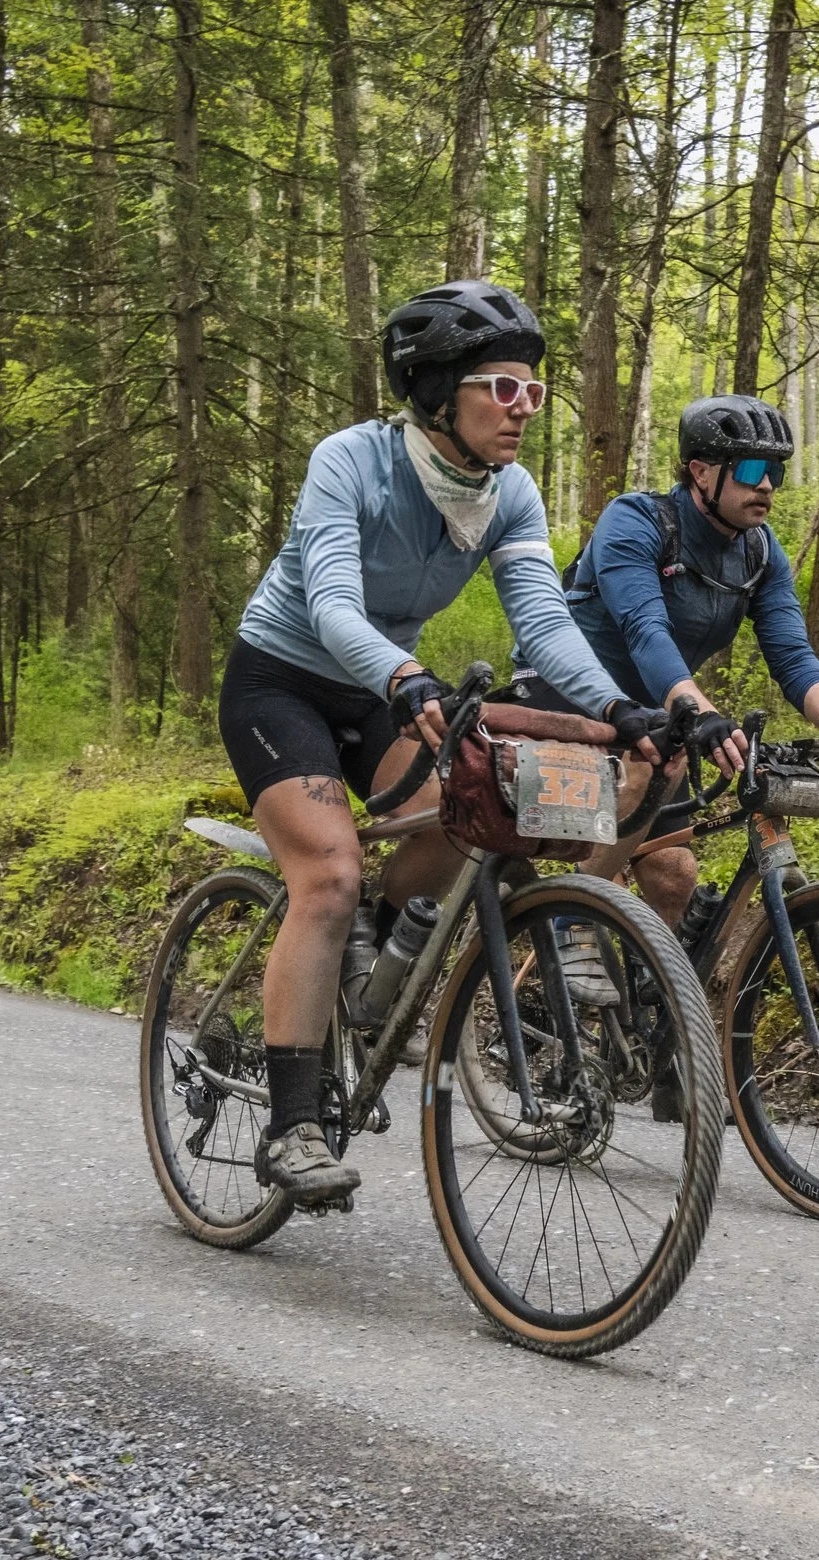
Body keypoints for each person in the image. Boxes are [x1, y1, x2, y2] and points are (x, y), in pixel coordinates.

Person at [219, 280, 664, 1207]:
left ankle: (370, 963)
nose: (523, 412)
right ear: (435, 391)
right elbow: (332, 603)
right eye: (503, 390)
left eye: (533, 393)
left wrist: (626, 709)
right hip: (284, 679)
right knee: (332, 874)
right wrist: (403, 675)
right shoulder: (349, 460)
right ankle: (293, 1125)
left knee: (472, 818)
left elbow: (543, 627)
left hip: (388, 685)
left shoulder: (510, 493)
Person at [506, 393, 819, 932]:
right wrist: (702, 715)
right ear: (700, 472)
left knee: (673, 875)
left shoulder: (761, 553)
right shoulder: (635, 521)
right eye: (752, 468)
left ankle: (657, 1002)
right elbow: (645, 631)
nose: (766, 484)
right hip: (562, 689)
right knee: (625, 811)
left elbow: (792, 657)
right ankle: (568, 933)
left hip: (655, 709)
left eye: (776, 472)